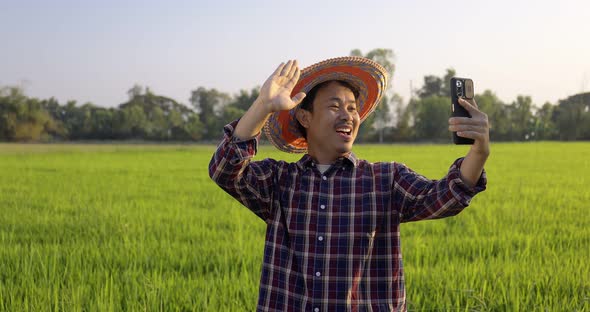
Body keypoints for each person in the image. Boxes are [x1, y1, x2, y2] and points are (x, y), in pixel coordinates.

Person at [209, 57, 489, 311]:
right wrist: (263, 106)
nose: (348, 115)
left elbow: (447, 196)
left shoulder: (385, 180)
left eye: (353, 108)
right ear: (305, 117)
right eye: (334, 106)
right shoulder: (280, 181)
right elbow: (224, 170)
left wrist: (478, 151)